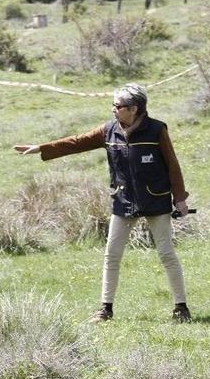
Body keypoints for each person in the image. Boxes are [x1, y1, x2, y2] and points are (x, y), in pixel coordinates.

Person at [14, 83, 192, 323]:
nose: (113, 110)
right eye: (113, 105)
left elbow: (173, 165)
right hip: (123, 200)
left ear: (134, 108)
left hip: (156, 198)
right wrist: (41, 148)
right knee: (112, 255)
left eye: (118, 106)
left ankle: (181, 308)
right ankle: (105, 310)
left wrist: (179, 199)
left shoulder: (157, 130)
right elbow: (77, 142)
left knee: (167, 254)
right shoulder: (108, 130)